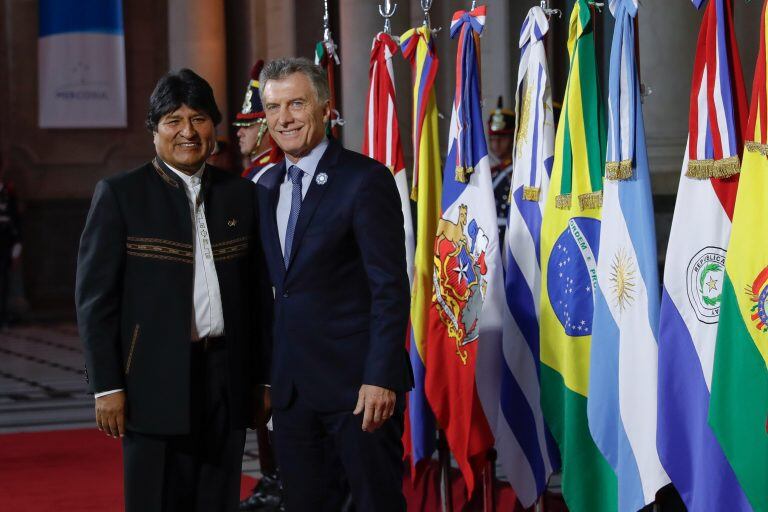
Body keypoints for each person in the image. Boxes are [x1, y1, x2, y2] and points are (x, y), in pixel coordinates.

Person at [75, 68, 270, 512]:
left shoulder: (241, 195)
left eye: (199, 118)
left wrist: (263, 377)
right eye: (173, 120)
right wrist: (106, 386)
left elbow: (258, 297)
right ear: (154, 129)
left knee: (217, 498)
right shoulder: (121, 195)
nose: (188, 131)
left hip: (227, 375)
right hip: (150, 379)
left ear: (214, 126)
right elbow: (94, 301)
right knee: (156, 500)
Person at [255, 57, 412, 512]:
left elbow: (389, 288)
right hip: (292, 394)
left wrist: (379, 377)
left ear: (326, 108)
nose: (283, 119)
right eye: (273, 107)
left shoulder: (364, 180)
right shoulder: (264, 186)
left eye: (296, 104)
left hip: (358, 392)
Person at [234, 60, 283, 183]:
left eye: (248, 126)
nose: (239, 133)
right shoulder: (255, 169)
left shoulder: (274, 171)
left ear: (267, 125)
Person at [488, 96, 515, 240]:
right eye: (492, 139)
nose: (496, 144)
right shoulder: (492, 172)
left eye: (502, 138)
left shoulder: (516, 171)